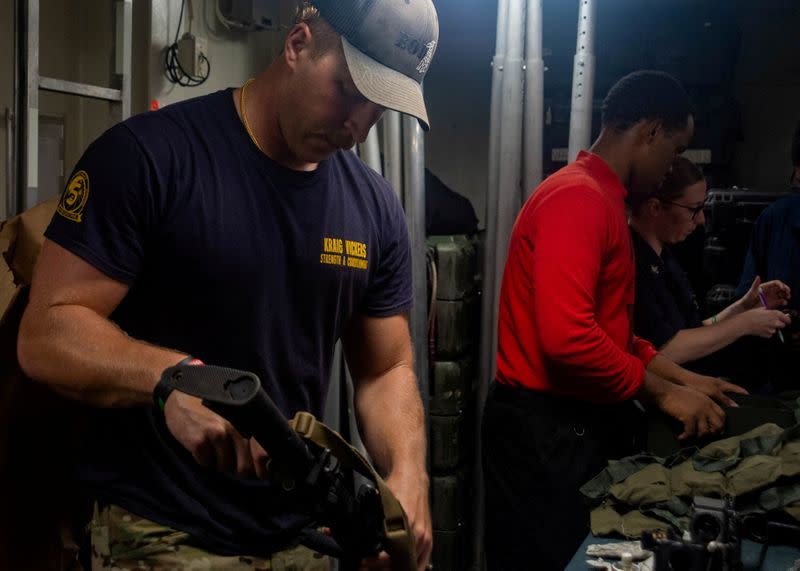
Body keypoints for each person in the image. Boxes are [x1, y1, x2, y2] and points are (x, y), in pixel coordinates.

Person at [16, 1, 439, 569]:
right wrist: (172, 381)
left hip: (300, 538)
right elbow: (46, 332)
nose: (359, 126)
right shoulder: (150, 158)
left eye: (379, 107)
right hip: (160, 531)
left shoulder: (375, 209)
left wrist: (408, 475)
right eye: (349, 90)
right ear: (297, 44)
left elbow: (385, 370)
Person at [481, 70, 747, 571]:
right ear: (649, 132)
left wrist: (687, 379)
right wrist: (664, 393)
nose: (671, 168)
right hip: (544, 433)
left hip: (570, 427)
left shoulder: (602, 199)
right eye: (672, 149)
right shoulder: (578, 199)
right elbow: (570, 340)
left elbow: (611, 336)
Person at [630, 155, 791, 371]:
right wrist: (745, 323)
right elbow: (667, 349)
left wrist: (742, 308)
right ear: (655, 207)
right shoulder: (635, 263)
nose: (701, 220)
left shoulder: (664, 258)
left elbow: (694, 331)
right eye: (693, 209)